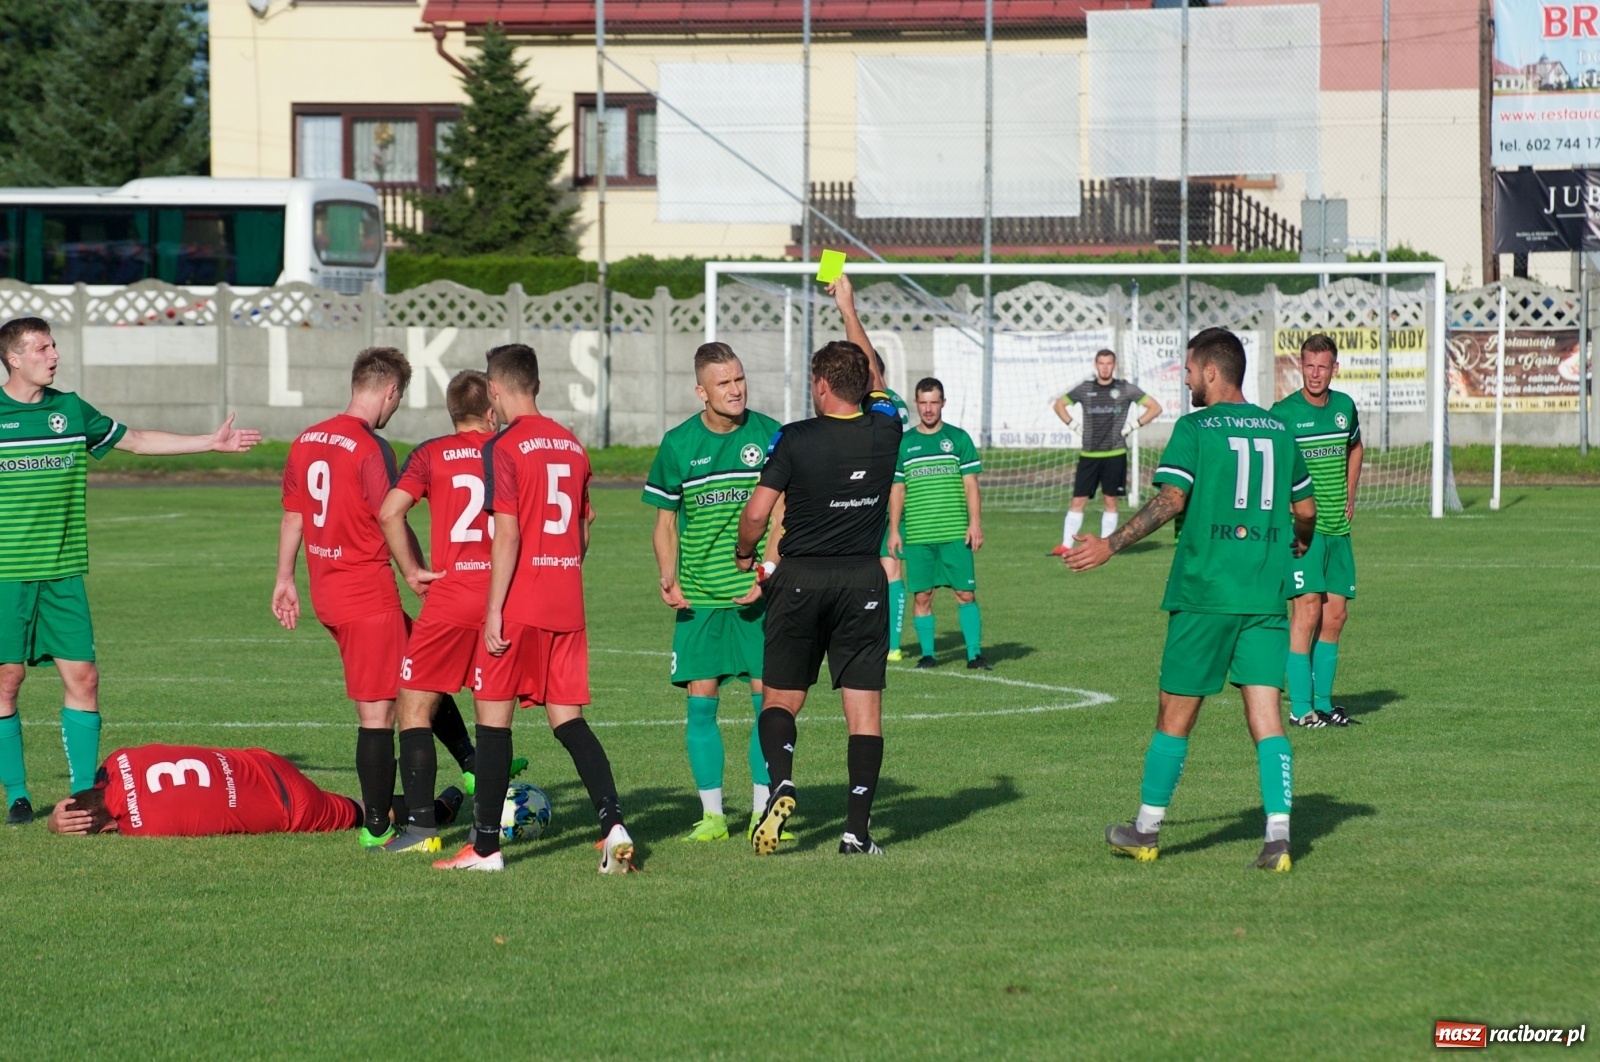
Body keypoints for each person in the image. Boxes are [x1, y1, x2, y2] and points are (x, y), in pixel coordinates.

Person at [1065, 327, 1316, 872]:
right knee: (1267, 717)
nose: (1185, 377)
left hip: (1206, 592)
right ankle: (1278, 839)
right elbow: (1307, 511)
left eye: (1189, 368)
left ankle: (1146, 831)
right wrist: (1297, 545)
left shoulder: (1196, 427)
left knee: (1175, 716)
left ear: (1211, 371)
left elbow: (1173, 498)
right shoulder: (1280, 428)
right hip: (1265, 596)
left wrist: (1109, 544)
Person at [0, 316, 261, 826]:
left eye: (54, 346)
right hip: (6, 577)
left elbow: (137, 439)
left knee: (85, 677)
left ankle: (80, 798)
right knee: (6, 683)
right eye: (42, 348)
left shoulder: (70, 410)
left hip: (63, 574)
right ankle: (18, 794)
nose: (54, 355)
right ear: (13, 358)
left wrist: (209, 442)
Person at [434, 343, 636, 874]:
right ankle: (613, 822)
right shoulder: (572, 445)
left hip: (519, 602)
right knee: (568, 719)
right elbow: (584, 530)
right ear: (538, 386)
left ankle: (484, 849)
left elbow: (507, 534)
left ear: (494, 392)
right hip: (566, 601)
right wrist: (562, 569)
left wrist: (495, 608)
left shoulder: (503, 446)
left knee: (492, 719)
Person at [273, 348, 477, 849]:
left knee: (422, 661)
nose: (396, 407)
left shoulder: (307, 439)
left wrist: (284, 578)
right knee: (380, 714)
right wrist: (415, 571)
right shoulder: (370, 448)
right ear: (389, 390)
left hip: (326, 588)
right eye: (399, 398)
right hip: (366, 593)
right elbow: (393, 515)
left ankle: (472, 765)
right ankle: (378, 825)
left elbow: (294, 514)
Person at [735, 274, 901, 857]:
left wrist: (744, 551)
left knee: (781, 699)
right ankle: (856, 832)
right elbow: (876, 380)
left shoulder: (795, 438)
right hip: (863, 580)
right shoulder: (888, 429)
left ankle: (781, 780)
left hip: (802, 578)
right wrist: (848, 308)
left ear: (823, 384)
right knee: (864, 711)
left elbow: (757, 513)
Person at [376, 369, 526, 855]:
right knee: (494, 717)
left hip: (451, 595)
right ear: (490, 410)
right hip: (506, 596)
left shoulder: (431, 453)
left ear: (451, 411)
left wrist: (413, 570)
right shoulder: (510, 451)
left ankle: (421, 828)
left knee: (414, 707)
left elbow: (389, 512)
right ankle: (487, 831)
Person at [642, 343, 785, 842]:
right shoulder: (679, 444)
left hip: (760, 596)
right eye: (724, 383)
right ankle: (713, 817)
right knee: (701, 704)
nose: (736, 389)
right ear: (701, 390)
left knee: (769, 706)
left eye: (740, 378)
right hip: (700, 598)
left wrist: (766, 572)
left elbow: (783, 512)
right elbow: (664, 523)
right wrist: (668, 574)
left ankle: (765, 812)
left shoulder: (769, 435)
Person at [45, 743, 463, 837]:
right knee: (359, 803)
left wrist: (54, 824)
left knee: (363, 813)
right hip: (261, 761)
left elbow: (124, 819)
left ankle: (438, 809)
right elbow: (104, 778)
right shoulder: (121, 760)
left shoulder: (142, 826)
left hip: (292, 806)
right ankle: (445, 795)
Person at [1270, 334, 1363, 728]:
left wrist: (1351, 493)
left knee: (1335, 615)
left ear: (1334, 368)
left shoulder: (1344, 407)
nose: (1315, 374)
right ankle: (1299, 708)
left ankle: (1323, 704)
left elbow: (1355, 447)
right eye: (1309, 365)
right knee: (1306, 610)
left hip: (1337, 529)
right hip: (1302, 530)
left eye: (1323, 366)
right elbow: (1271, 462)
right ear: (1300, 366)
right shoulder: (1284, 413)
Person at [887, 377, 989, 670]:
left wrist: (975, 524)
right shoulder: (905, 444)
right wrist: (894, 530)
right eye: (923, 403)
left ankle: (974, 655)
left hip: (955, 532)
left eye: (934, 402)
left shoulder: (958, 439)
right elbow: (898, 489)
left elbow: (971, 485)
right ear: (916, 403)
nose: (929, 409)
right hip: (919, 534)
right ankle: (928, 655)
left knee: (965, 593)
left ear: (943, 403)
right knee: (922, 596)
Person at [1050, 348, 1163, 556]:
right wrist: (1074, 425)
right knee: (1078, 500)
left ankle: (1106, 545)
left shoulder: (1124, 389)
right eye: (1101, 363)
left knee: (1110, 500)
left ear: (1115, 365)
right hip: (1089, 455)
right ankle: (1066, 545)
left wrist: (1131, 427)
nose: (1105, 367)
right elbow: (1059, 405)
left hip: (1114, 454)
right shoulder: (1085, 389)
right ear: (1095, 365)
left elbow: (1155, 407)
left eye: (1109, 363)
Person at [873, 356, 914, 664]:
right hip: (869, 496)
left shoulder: (889, 404)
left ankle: (893, 645)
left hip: (885, 497)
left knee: (890, 569)